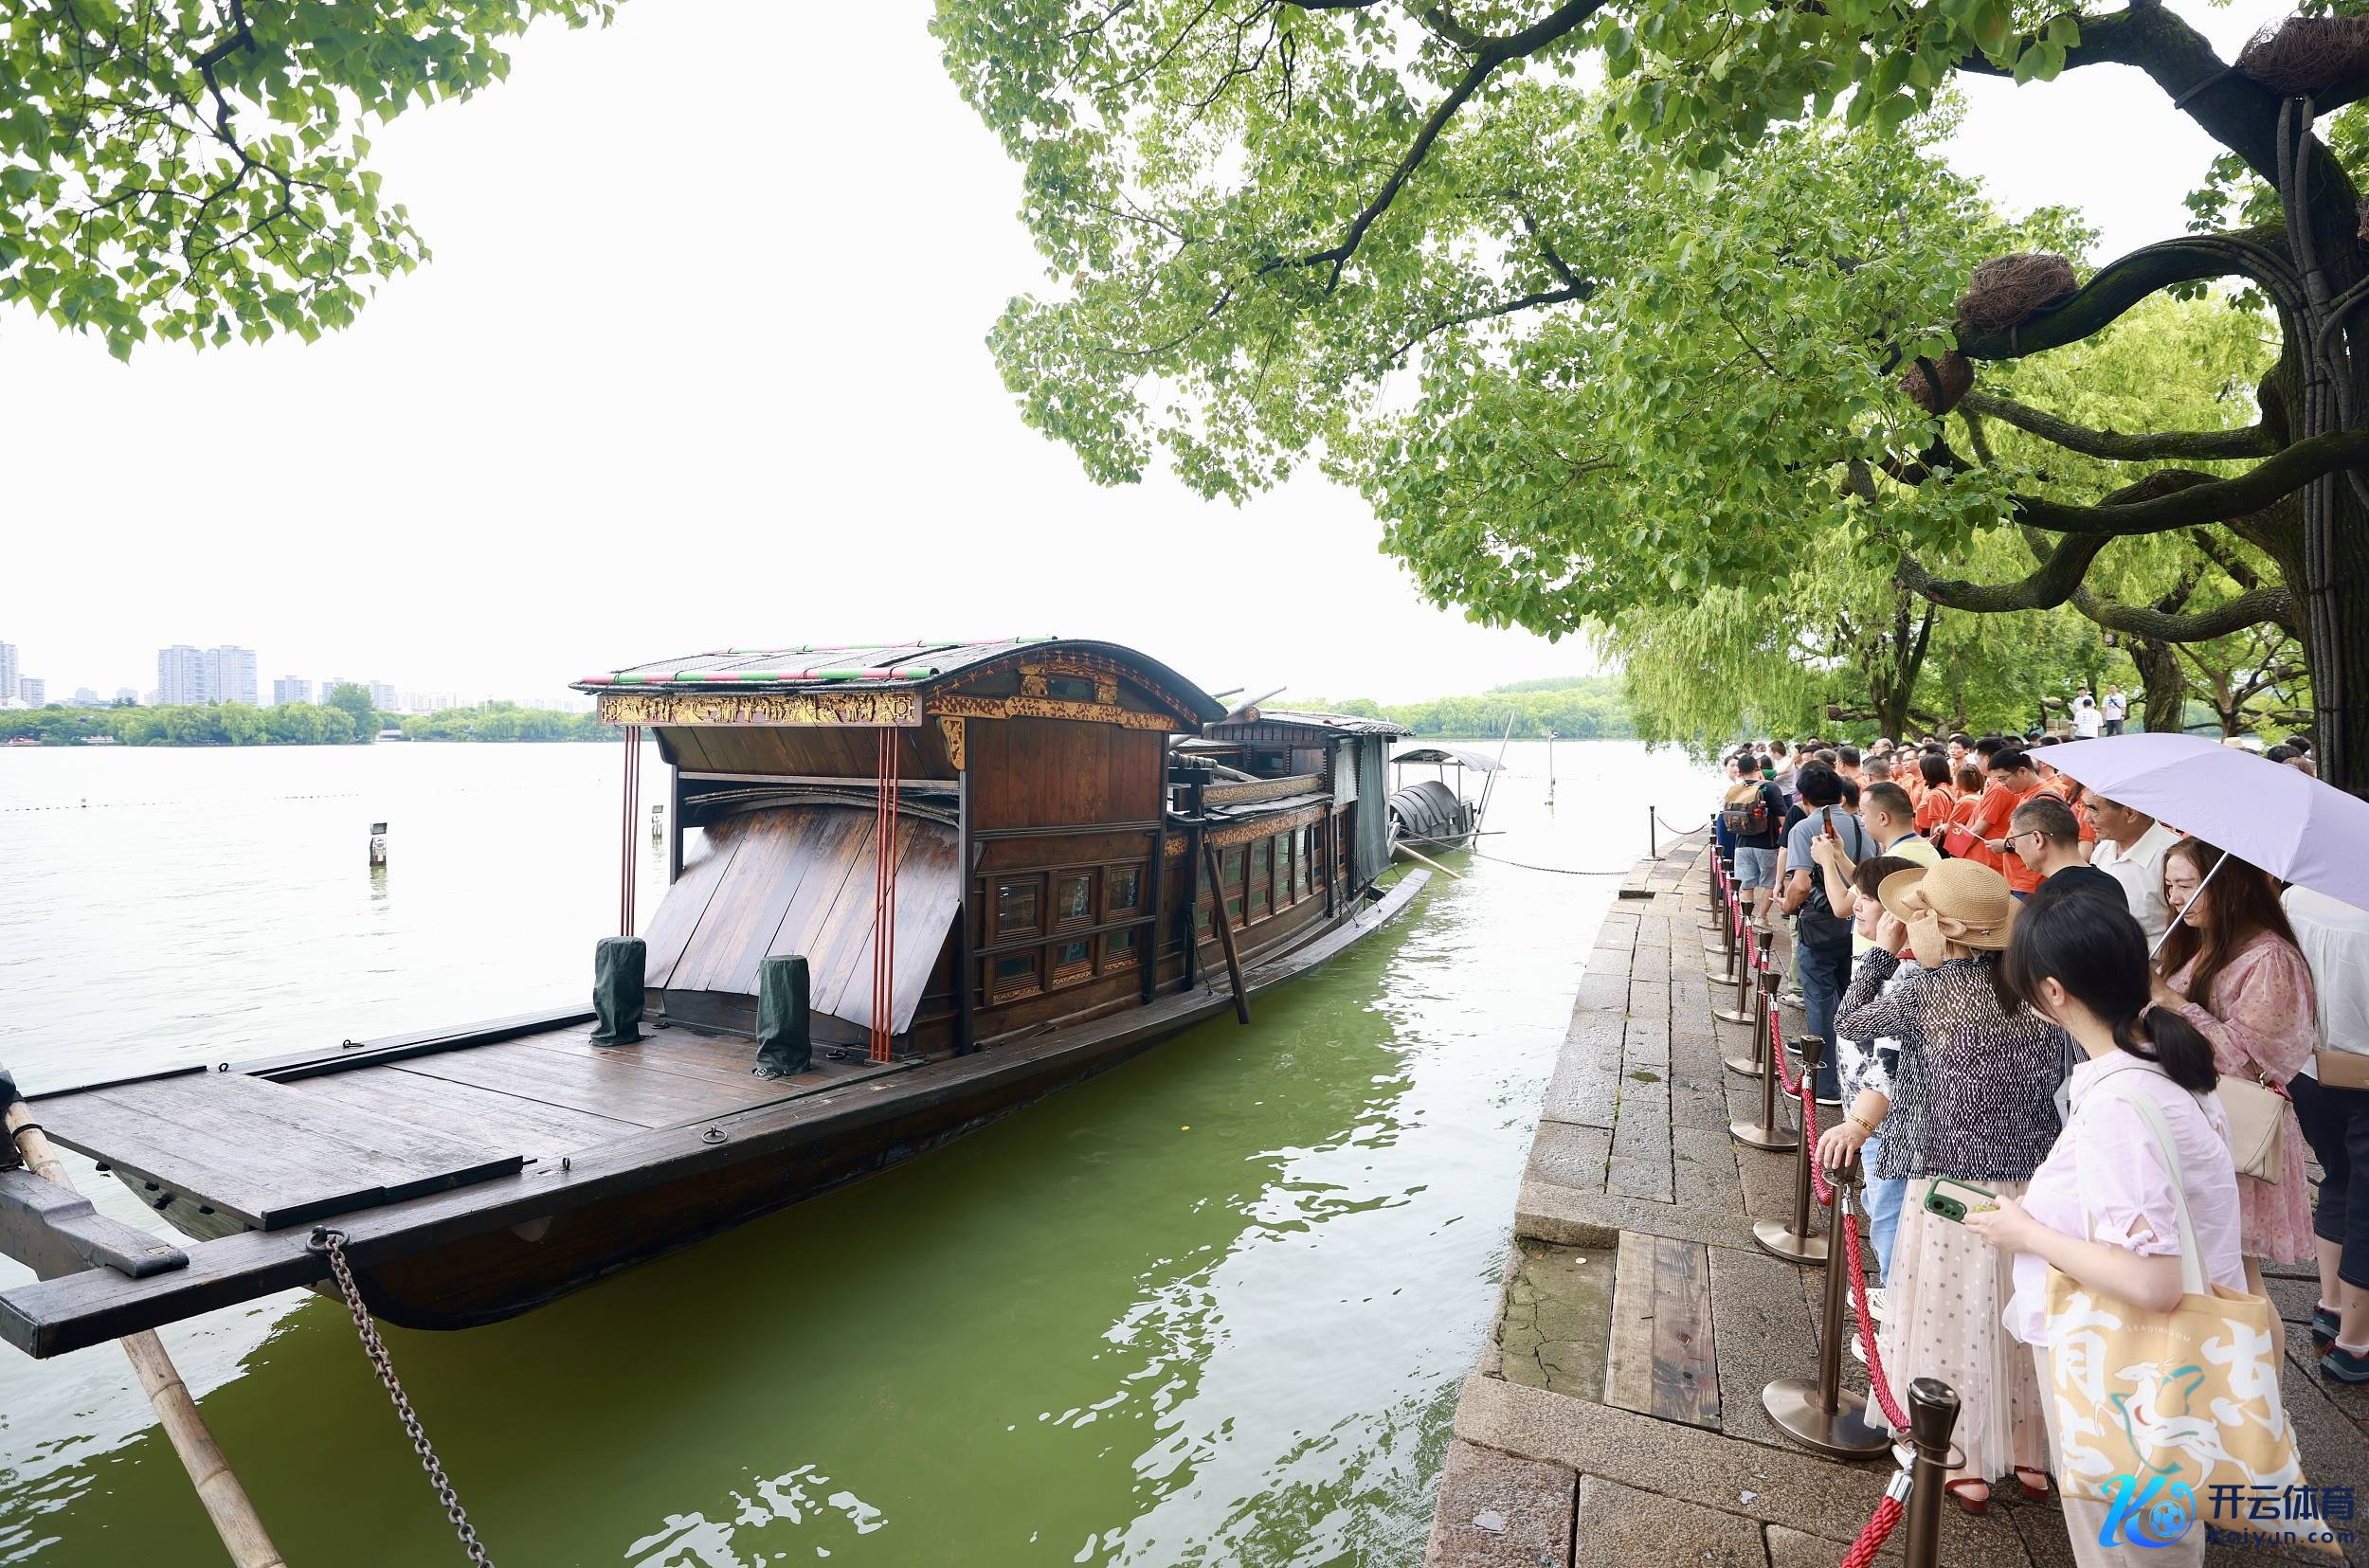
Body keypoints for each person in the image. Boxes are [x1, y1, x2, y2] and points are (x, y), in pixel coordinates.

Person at [1968, 888, 2242, 1565]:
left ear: (2053, 992)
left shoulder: (2123, 1102)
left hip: (2127, 1367)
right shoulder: (2163, 1064)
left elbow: (2154, 1280)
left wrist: (2026, 1233)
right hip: (2158, 1372)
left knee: (2127, 1548)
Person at [1818, 860, 2069, 1511]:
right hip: (2030, 1179)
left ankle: (1961, 1456)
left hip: (1951, 1176)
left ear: (1941, 930)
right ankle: (2028, 1450)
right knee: (2020, 1306)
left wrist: (1882, 951)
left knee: (1951, 1311)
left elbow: (1851, 1020)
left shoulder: (1928, 988)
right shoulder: (2037, 989)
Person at [2155, 838, 2319, 1290]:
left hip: (2235, 1127)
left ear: (2230, 886)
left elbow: (2251, 1060)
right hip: (2196, 1121)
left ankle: (2256, 1362)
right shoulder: (2199, 943)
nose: (2175, 898)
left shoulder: (2271, 959)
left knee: (2238, 1281)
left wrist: (2171, 1001)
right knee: (2205, 1273)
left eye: (2188, 885)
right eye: (2170, 885)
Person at [2281, 885, 2369, 1382]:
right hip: (2364, 1070)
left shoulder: (2298, 898)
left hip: (2310, 1067)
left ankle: (2331, 1306)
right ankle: (2356, 1345)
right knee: (2363, 1197)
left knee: (2337, 1176)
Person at [1826, 854, 1924, 1291]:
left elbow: (1887, 1064)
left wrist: (1857, 1126)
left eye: (1867, 897)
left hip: (1890, 1129)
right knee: (1882, 1209)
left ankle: (1894, 1330)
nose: (1856, 904)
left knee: (1890, 1220)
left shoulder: (1908, 974)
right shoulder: (1895, 966)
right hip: (1878, 1126)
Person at [1782, 765, 1872, 1101]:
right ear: (1841, 793)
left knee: (1819, 998)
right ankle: (1851, 1073)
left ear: (1802, 797)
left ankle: (1825, 1082)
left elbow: (1801, 884)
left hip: (1820, 925)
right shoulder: (1862, 824)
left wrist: (1787, 906)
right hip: (1859, 923)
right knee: (1850, 998)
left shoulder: (1805, 828)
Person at [2086, 794, 2178, 947]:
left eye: (2094, 809)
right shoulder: (2104, 849)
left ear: (2130, 813)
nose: (2086, 818)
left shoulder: (2173, 858)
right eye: (2085, 807)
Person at [2005, 796, 2119, 904]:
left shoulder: (2052, 898)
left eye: (2015, 839)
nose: (2016, 848)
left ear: (2037, 839)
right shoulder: (2111, 883)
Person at [1723, 749, 1785, 929]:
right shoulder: (1770, 787)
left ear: (1739, 772)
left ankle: (1746, 918)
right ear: (1758, 768)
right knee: (1770, 882)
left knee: (1746, 884)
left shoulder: (1736, 789)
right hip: (1768, 843)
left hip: (1742, 843)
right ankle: (1762, 917)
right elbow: (1783, 818)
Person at [1970, 748, 2044, 891]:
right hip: (2018, 879)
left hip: (2030, 882)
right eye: (1999, 780)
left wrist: (2005, 845)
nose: (2003, 785)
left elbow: (2041, 841)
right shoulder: (2027, 794)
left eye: (2003, 779)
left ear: (2022, 771)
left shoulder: (2043, 798)